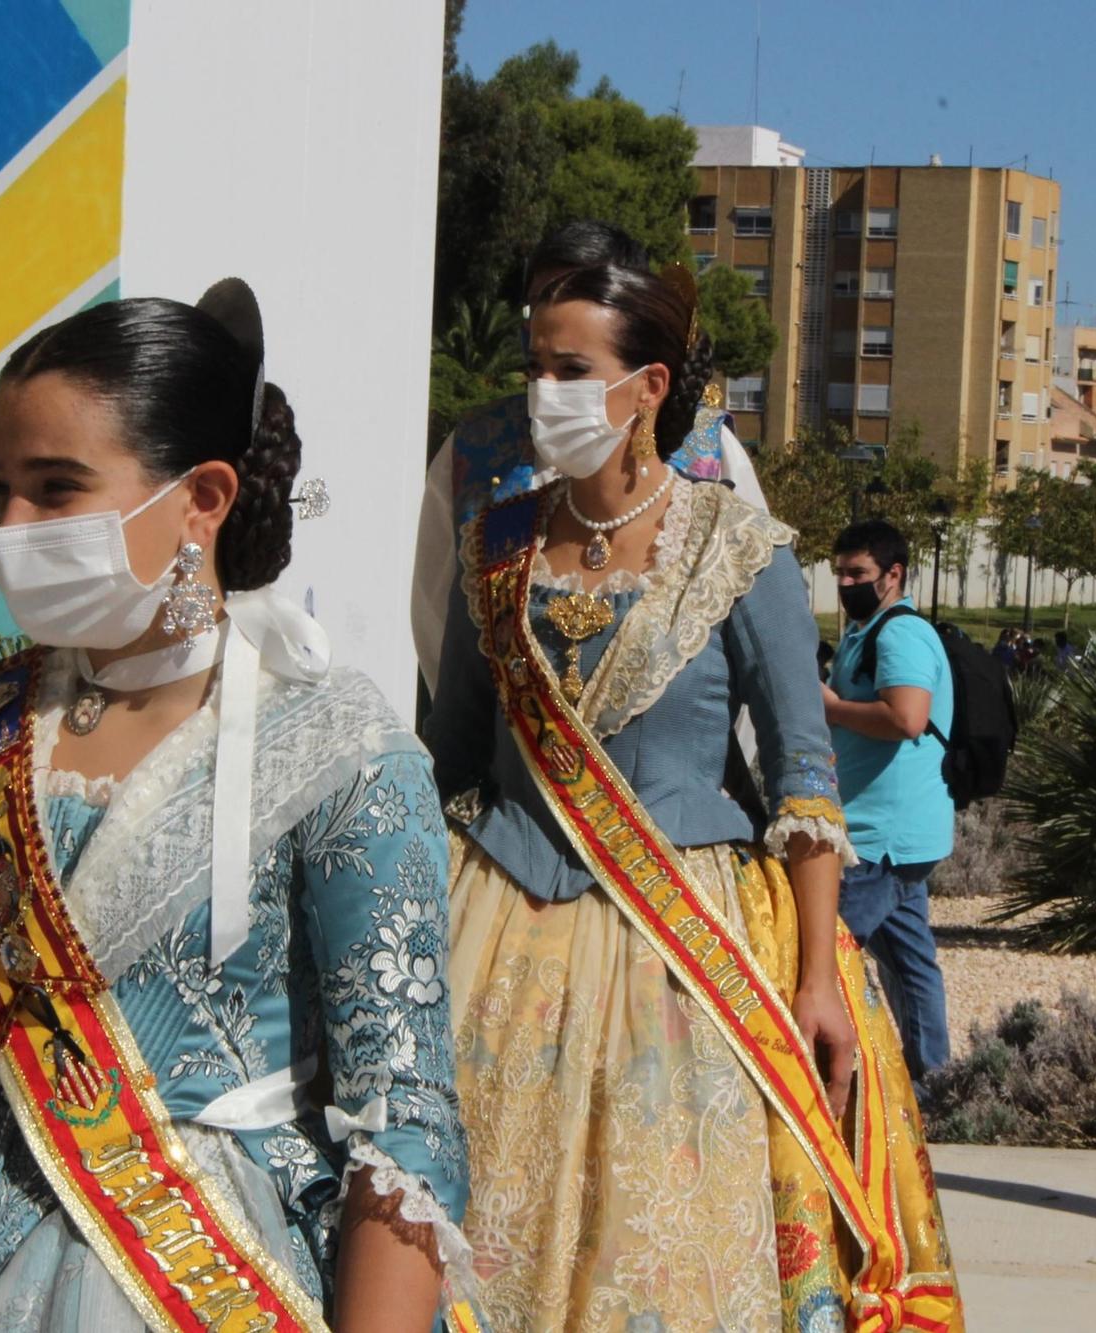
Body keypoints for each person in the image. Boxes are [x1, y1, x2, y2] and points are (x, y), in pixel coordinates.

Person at [0, 286, 474, 1332]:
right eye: (0, 489)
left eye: (56, 490)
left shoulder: (339, 750)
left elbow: (400, 1122)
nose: (13, 527)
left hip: (187, 1265)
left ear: (201, 497)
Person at [428, 266, 959, 1330]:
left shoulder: (738, 551)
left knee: (658, 1242)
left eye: (570, 368)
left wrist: (815, 978)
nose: (542, 390)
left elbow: (803, 780)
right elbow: (450, 760)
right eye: (533, 365)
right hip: (494, 931)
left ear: (646, 385)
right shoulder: (495, 549)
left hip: (683, 944)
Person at [410, 220, 767, 700]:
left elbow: (756, 638)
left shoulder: (710, 452)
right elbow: (436, 614)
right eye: (541, 304)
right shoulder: (473, 448)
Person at [822, 520, 956, 1080]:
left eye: (858, 573)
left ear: (893, 575)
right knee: (909, 962)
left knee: (821, 957)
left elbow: (907, 718)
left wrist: (827, 706)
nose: (846, 583)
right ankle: (935, 1082)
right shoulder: (865, 630)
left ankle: (828, 1080)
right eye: (839, 573)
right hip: (893, 834)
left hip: (881, 838)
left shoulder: (900, 634)